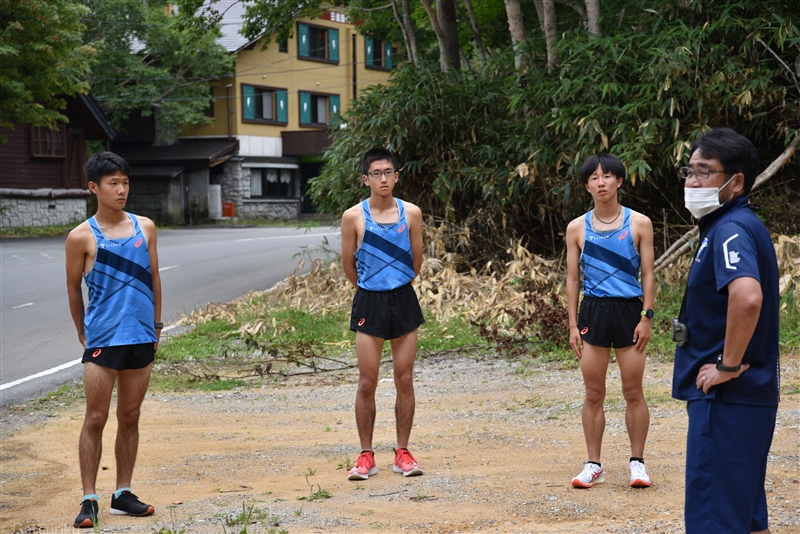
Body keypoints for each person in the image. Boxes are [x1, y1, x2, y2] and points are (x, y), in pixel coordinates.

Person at [672, 128, 779, 534]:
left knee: (715, 521)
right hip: (747, 403)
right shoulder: (736, 225)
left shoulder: (730, 229)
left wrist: (728, 365)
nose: (692, 182)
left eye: (704, 172)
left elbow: (748, 297)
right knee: (748, 520)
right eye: (689, 171)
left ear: (736, 181)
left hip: (726, 400)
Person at [66, 152, 162, 528]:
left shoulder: (146, 227)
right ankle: (89, 498)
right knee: (95, 417)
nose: (121, 190)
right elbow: (73, 289)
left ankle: (123, 493)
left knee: (131, 415)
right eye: (112, 183)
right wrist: (81, 332)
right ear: (94, 188)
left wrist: (155, 325)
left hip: (140, 335)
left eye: (125, 182)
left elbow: (154, 277)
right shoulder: (81, 237)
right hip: (103, 339)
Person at [565, 153, 655, 489]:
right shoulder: (577, 227)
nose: (601, 182)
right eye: (594, 178)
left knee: (633, 391)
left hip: (630, 311)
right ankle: (593, 464)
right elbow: (573, 279)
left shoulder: (639, 223)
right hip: (594, 312)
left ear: (619, 180)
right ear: (587, 185)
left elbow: (648, 273)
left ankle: (637, 463)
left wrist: (647, 316)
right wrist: (573, 324)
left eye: (607, 176)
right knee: (593, 392)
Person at [340, 147, 425, 480]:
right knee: (367, 382)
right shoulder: (353, 217)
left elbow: (416, 261)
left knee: (404, 378)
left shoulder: (412, 213)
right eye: (376, 173)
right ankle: (366, 455)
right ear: (366, 179)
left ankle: (403, 452)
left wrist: (396, 283)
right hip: (369, 302)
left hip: (403, 299)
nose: (383, 178)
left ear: (397, 176)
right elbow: (349, 266)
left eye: (388, 172)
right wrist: (372, 286)